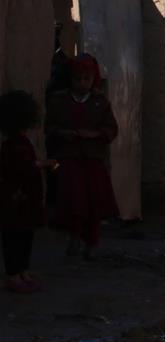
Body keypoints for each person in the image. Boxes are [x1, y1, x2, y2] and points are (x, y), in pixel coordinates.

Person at [44, 54, 119, 260]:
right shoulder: (59, 101)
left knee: (93, 203)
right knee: (73, 201)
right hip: (69, 158)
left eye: (86, 79)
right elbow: (49, 127)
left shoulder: (100, 102)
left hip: (93, 159)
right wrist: (62, 133)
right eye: (78, 79)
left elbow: (111, 129)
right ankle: (74, 238)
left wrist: (95, 135)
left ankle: (91, 242)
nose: (82, 83)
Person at [0, 91, 55, 293]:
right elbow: (21, 168)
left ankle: (22, 271)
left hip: (23, 200)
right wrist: (43, 164)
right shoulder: (14, 145)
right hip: (17, 200)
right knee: (15, 238)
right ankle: (14, 274)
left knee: (23, 237)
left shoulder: (17, 142)